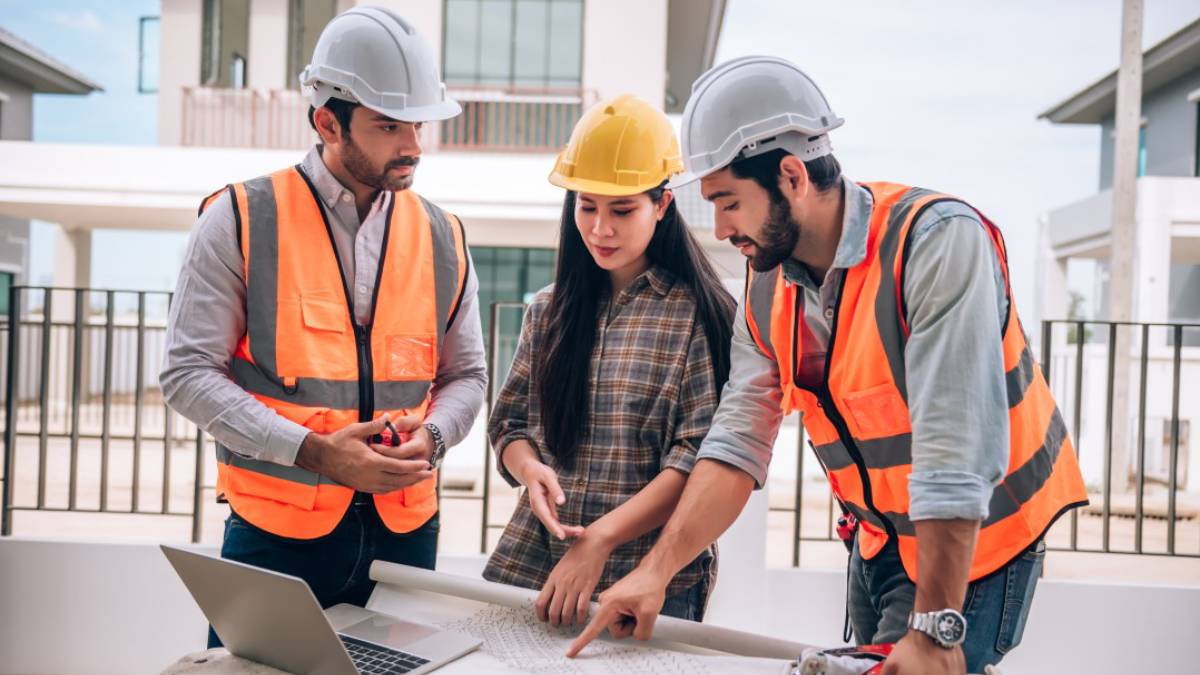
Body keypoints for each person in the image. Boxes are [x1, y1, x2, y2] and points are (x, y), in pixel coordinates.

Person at [569, 57, 1088, 675]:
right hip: (878, 542)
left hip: (976, 541)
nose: (720, 226)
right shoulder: (767, 287)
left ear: (791, 176)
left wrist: (934, 628)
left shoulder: (937, 242)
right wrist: (655, 573)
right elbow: (736, 442)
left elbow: (955, 445)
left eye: (729, 202)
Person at [160, 7, 486, 647]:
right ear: (327, 122)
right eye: (389, 125)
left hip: (406, 535)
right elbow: (186, 373)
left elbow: (467, 374)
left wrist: (438, 438)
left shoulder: (443, 235)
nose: (413, 144)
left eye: (418, 122)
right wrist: (314, 453)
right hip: (275, 538)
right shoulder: (240, 218)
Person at [483, 94, 736, 627]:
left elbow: (695, 461)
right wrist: (530, 472)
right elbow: (508, 424)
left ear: (662, 205)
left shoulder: (698, 317)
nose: (600, 229)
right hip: (538, 566)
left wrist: (600, 538)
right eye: (586, 206)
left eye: (622, 210)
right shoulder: (549, 310)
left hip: (647, 580)